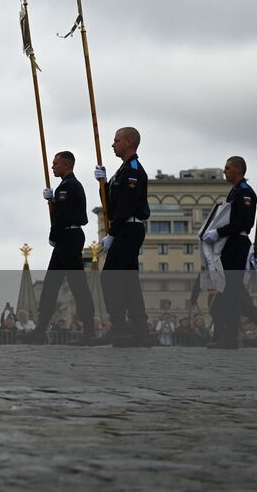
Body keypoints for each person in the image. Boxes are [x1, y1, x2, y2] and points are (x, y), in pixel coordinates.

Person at [27, 151, 97, 345]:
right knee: (50, 285)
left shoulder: (70, 186)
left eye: (55, 164)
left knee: (77, 284)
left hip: (69, 237)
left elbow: (64, 217)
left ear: (66, 165)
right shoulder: (65, 187)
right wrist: (54, 201)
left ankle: (89, 330)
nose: (52, 167)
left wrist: (53, 235)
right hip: (65, 238)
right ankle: (41, 329)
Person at [96, 126, 151, 347]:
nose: (113, 144)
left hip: (129, 229)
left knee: (109, 278)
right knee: (129, 282)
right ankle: (140, 331)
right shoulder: (123, 170)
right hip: (125, 229)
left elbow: (126, 206)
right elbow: (110, 205)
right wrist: (103, 184)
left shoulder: (134, 170)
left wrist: (113, 233)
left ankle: (119, 327)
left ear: (129, 142)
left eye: (117, 140)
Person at [203, 156, 257, 349]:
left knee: (231, 292)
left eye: (228, 168)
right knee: (228, 292)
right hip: (230, 244)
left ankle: (231, 338)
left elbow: (244, 223)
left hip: (237, 244)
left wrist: (219, 231)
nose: (224, 171)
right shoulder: (235, 191)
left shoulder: (244, 192)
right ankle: (229, 335)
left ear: (238, 169)